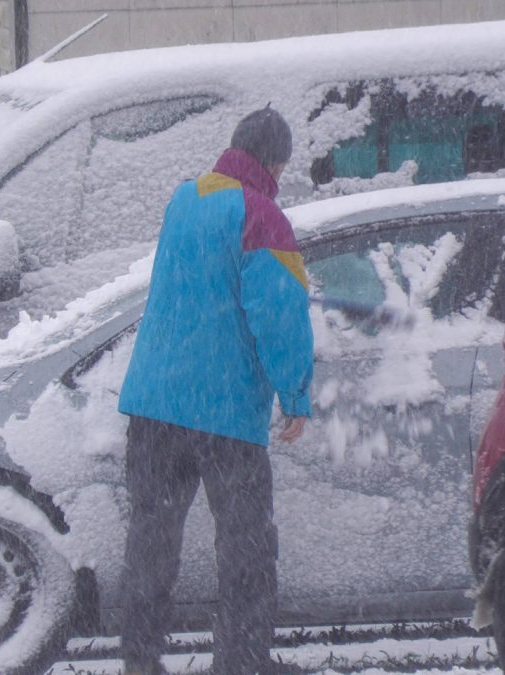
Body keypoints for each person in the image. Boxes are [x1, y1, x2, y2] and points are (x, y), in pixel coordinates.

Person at [116, 106, 314, 675]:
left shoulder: (184, 199)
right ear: (276, 161)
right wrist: (295, 394)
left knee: (151, 545)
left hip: (154, 407)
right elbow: (278, 313)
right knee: (247, 551)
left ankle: (140, 662)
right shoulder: (263, 215)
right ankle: (242, 664)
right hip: (222, 414)